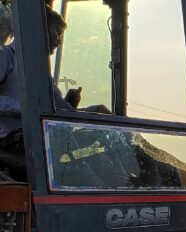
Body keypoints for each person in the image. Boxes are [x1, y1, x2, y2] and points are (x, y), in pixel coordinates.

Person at [0, 8, 108, 177]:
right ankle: (95, 191)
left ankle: (129, 186)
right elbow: (38, 110)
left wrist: (93, 111)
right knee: (68, 152)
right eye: (57, 33)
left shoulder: (41, 72)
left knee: (102, 140)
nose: (59, 41)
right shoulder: (6, 56)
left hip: (40, 136)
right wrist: (25, 106)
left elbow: (60, 112)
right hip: (12, 140)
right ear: (40, 28)